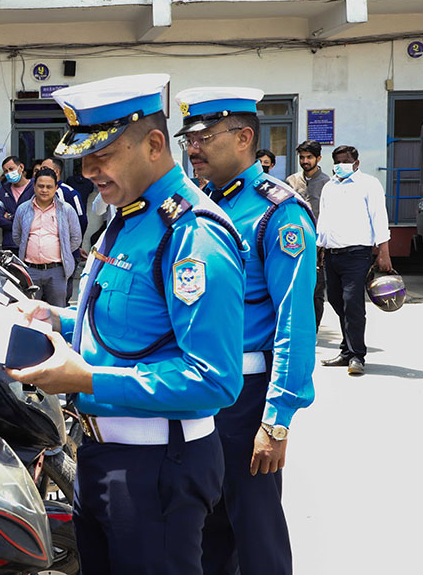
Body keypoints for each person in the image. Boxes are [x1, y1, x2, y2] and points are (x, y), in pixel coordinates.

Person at [7, 74, 245, 574]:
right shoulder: (128, 214)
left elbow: (214, 379)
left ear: (154, 145)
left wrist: (88, 379)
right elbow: (127, 325)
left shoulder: (192, 234)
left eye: (103, 154)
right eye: (83, 157)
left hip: (157, 467)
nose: (88, 170)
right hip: (101, 454)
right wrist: (57, 318)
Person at [175, 87, 316, 575]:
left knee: (256, 531)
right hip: (198, 390)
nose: (193, 148)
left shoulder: (278, 212)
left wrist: (276, 421)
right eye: (188, 139)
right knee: (207, 530)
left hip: (247, 396)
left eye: (203, 138)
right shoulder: (199, 205)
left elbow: (295, 322)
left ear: (244, 138)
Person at [317, 144, 391, 376]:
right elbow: (324, 220)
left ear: (356, 163)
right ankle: (346, 351)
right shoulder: (329, 187)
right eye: (337, 161)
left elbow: (379, 217)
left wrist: (384, 251)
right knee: (336, 301)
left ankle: (357, 355)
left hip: (357, 254)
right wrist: (319, 247)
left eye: (346, 161)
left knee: (352, 303)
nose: (341, 165)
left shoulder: (369, 184)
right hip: (332, 254)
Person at [12, 167, 81, 307]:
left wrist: (64, 251)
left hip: (57, 270)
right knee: (30, 310)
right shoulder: (23, 209)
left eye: (49, 187)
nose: (44, 190)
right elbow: (17, 236)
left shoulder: (66, 210)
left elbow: (75, 238)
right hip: (30, 270)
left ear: (56, 188)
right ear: (34, 186)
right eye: (41, 186)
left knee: (57, 311)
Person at [286, 140, 331, 329]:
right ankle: (296, 328)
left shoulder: (327, 183)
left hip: (319, 245)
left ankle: (314, 330)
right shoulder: (291, 181)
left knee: (317, 290)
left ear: (318, 158)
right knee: (296, 288)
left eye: (309, 157)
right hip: (295, 243)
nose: (305, 161)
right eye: (302, 157)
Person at [0, 155, 33, 253]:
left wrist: (10, 216)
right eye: (6, 171)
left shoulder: (34, 188)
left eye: (11, 169)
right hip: (9, 245)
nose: (9, 173)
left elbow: (34, 219)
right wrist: (21, 224)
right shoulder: (4, 190)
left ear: (21, 167)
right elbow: (0, 220)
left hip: (30, 244)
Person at [43, 157, 88, 234]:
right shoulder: (35, 192)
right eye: (40, 169)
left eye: (45, 169)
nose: (41, 172)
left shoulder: (70, 193)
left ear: (57, 172)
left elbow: (81, 221)